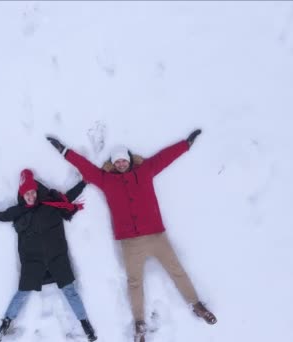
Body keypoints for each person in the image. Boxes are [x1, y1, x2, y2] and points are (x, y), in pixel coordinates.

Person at [46, 129, 216, 341]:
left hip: (156, 237)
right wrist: (64, 151)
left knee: (177, 270)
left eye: (123, 160)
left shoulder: (144, 171)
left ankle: (197, 305)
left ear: (129, 160)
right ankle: (139, 324)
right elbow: (86, 167)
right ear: (113, 164)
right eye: (116, 162)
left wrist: (186, 144)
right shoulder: (107, 180)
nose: (120, 164)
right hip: (131, 243)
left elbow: (164, 158)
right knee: (134, 282)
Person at [0, 169, 97, 342]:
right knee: (22, 293)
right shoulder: (18, 212)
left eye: (32, 192)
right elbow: (0, 216)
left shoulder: (51, 204)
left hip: (57, 257)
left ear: (37, 191)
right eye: (27, 193)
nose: (31, 196)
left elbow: (69, 197)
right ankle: (5, 323)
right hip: (33, 262)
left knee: (70, 291)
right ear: (22, 194)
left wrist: (83, 183)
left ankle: (85, 324)